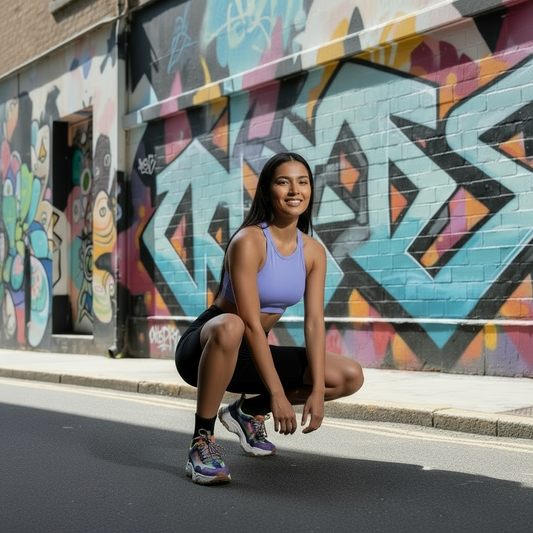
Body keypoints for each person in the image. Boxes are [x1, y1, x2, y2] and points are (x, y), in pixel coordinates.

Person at [175, 152, 364, 485]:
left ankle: (246, 412)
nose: (295, 190)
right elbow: (248, 324)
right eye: (283, 182)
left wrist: (318, 389)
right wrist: (278, 394)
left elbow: (314, 323)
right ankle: (201, 440)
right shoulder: (249, 241)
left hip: (249, 356)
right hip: (207, 348)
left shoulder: (313, 251)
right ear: (266, 191)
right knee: (232, 325)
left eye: (302, 182)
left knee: (348, 376)